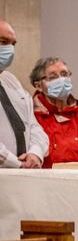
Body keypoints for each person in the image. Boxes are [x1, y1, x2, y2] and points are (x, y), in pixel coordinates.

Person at [0, 19, 48, 168]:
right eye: (3, 42)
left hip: (20, 176)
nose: (10, 49)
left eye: (13, 44)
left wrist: (35, 153)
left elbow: (34, 126)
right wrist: (16, 164)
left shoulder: (11, 81)